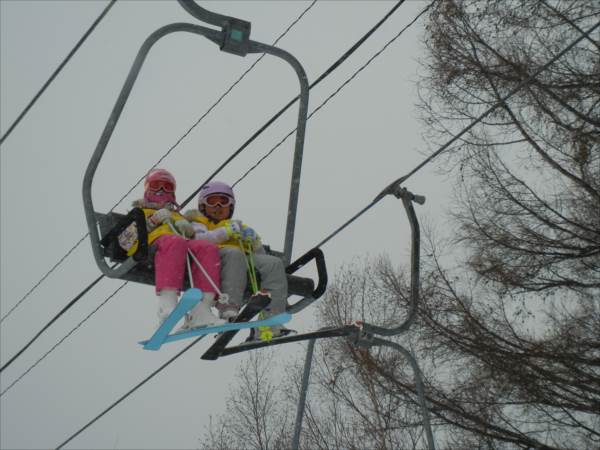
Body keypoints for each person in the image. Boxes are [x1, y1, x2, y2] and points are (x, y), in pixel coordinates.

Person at [184, 181, 295, 341]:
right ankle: (228, 309)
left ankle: (270, 322)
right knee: (233, 253)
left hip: (242, 259)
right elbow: (200, 240)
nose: (218, 206)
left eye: (224, 202)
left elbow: (260, 255)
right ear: (203, 206)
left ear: (231, 206)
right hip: (213, 258)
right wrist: (225, 232)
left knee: (273, 264)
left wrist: (254, 242)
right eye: (212, 201)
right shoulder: (199, 222)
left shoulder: (237, 225)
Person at [118, 169, 224, 330]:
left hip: (181, 250)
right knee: (175, 241)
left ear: (173, 193)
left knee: (207, 247)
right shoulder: (140, 212)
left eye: (166, 187)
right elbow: (124, 241)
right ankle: (167, 302)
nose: (161, 191)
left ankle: (201, 309)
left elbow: (194, 241)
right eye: (156, 186)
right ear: (148, 189)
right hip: (152, 248)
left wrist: (188, 229)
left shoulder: (177, 215)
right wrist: (153, 221)